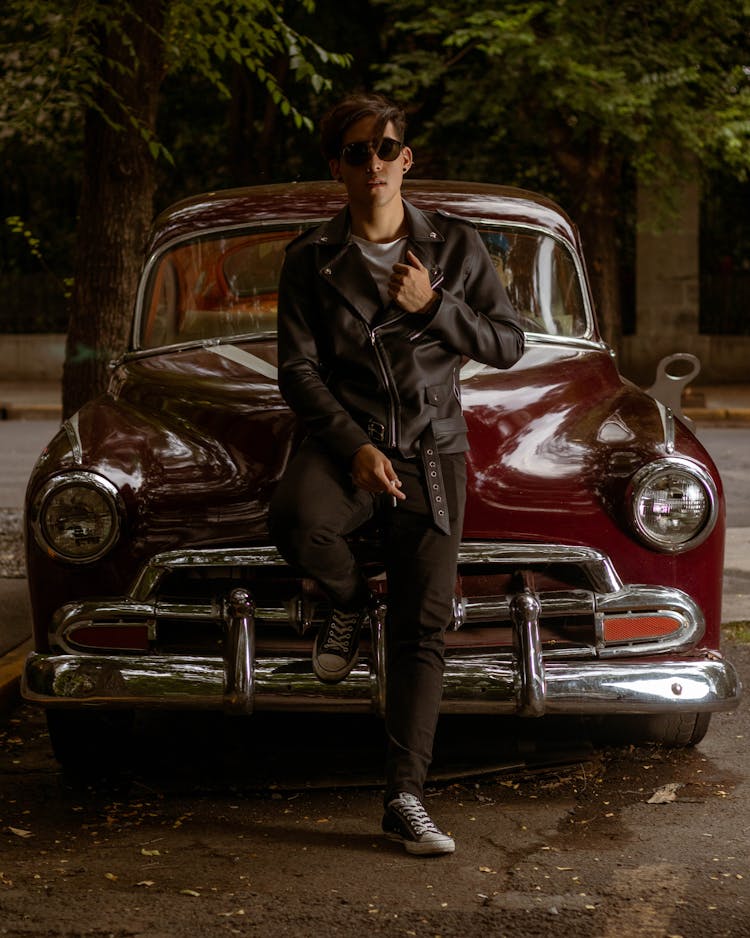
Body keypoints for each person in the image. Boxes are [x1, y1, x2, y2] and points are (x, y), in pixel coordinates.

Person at [268, 93, 524, 856]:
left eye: (385, 149)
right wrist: (352, 446)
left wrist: (436, 304)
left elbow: (506, 344)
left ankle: (405, 798)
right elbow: (296, 372)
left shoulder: (455, 247)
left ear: (405, 160)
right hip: (344, 443)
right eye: (356, 152)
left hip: (432, 448)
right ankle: (345, 601)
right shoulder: (310, 257)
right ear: (336, 167)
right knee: (295, 521)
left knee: (423, 630)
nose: (372, 163)